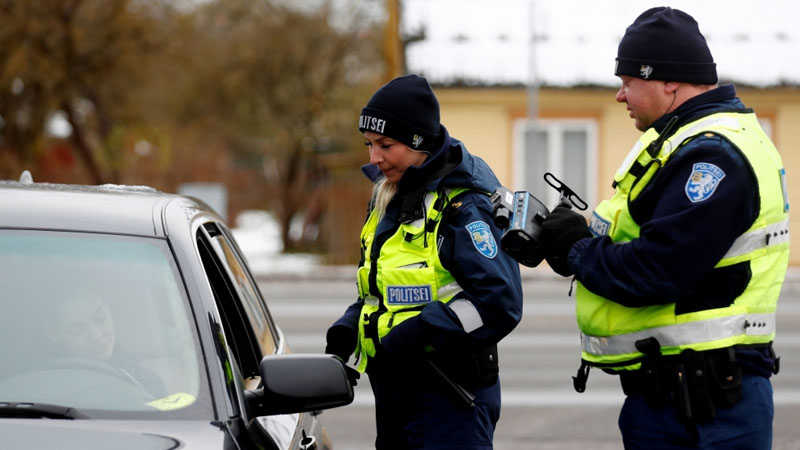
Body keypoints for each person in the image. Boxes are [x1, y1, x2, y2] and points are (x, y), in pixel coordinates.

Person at [537, 7, 790, 449]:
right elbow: (641, 241)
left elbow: (659, 269)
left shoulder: (713, 156)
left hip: (706, 407)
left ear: (669, 81)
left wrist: (577, 250)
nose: (620, 96)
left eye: (628, 81)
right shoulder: (685, 143)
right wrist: (565, 239)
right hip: (679, 391)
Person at [325, 74, 523, 449]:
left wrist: (419, 335)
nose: (374, 158)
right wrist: (351, 328)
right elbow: (383, 290)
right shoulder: (391, 196)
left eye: (386, 145)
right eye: (368, 145)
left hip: (450, 401)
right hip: (398, 393)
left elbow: (498, 301)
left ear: (419, 142)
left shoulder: (465, 205)